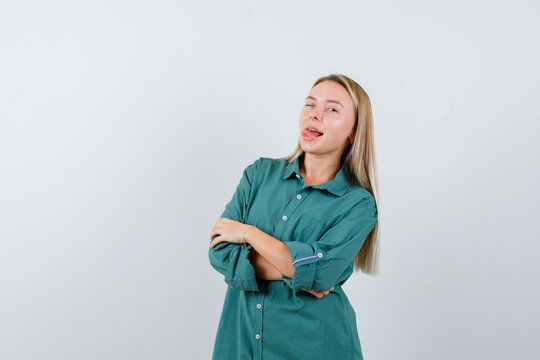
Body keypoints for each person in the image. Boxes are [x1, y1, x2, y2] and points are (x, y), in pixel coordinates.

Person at [208, 73, 380, 360]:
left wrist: (249, 234)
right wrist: (300, 273)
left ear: (353, 131)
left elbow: (322, 275)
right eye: (310, 104)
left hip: (315, 346)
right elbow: (220, 252)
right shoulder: (259, 174)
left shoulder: (357, 204)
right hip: (240, 347)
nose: (315, 115)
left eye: (331, 109)